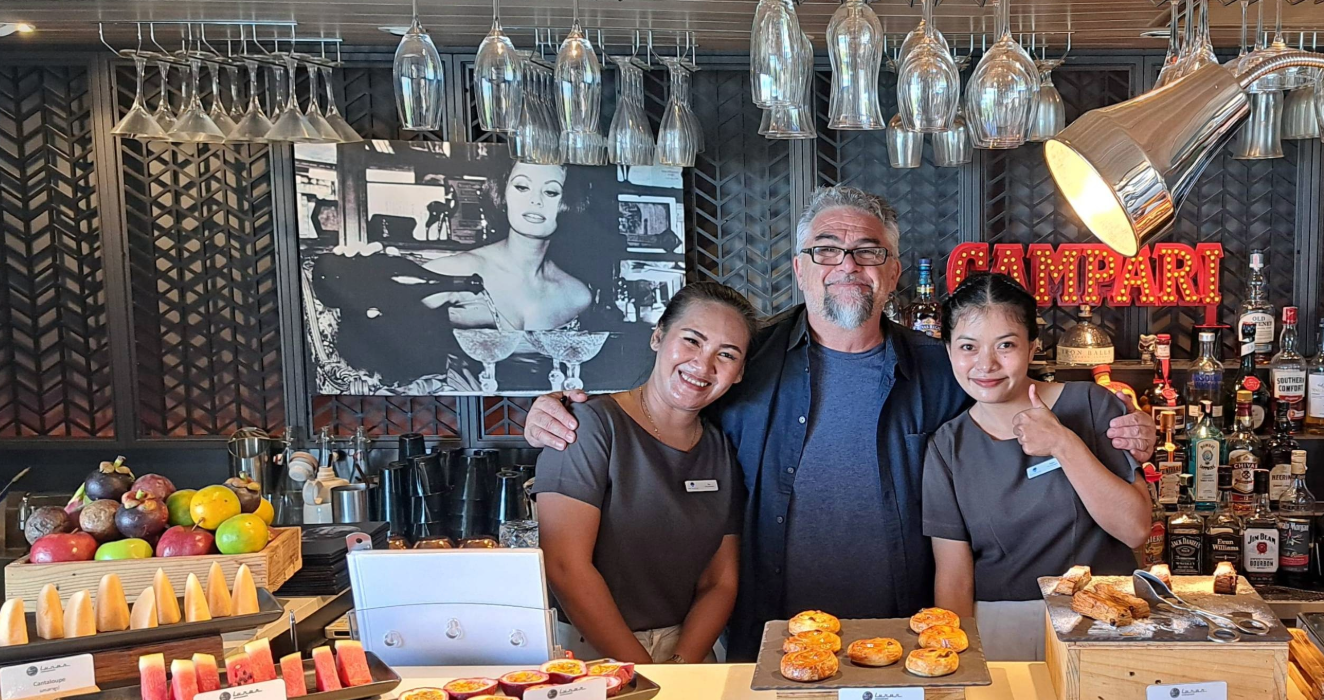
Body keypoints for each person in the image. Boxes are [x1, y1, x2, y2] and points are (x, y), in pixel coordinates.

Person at [523, 186, 1159, 660]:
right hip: (770, 634)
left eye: (867, 251)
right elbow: (667, 395)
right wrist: (565, 410)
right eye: (826, 249)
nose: (847, 264)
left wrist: (1119, 422)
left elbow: (1014, 382)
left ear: (892, 274)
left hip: (907, 633)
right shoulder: (748, 357)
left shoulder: (944, 368)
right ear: (800, 268)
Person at [922, 273, 1153, 661]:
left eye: (1006, 345)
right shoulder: (948, 446)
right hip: (1001, 631)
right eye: (968, 347)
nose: (986, 364)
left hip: (1106, 620)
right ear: (948, 351)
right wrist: (958, 661)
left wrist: (1063, 443)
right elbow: (954, 577)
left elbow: (1135, 530)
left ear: (1032, 348)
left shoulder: (1093, 405)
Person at [530, 281, 758, 664]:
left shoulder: (721, 447)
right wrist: (643, 672)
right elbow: (565, 566)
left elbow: (720, 581)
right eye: (692, 340)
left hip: (686, 652)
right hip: (590, 654)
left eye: (727, 354)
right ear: (657, 336)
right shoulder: (588, 427)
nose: (703, 365)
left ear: (738, 373)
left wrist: (682, 664)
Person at [425, 161, 593, 331]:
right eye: (522, 187)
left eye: (551, 192)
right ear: (502, 193)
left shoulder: (576, 296)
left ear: (570, 202)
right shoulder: (452, 271)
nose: (535, 200)